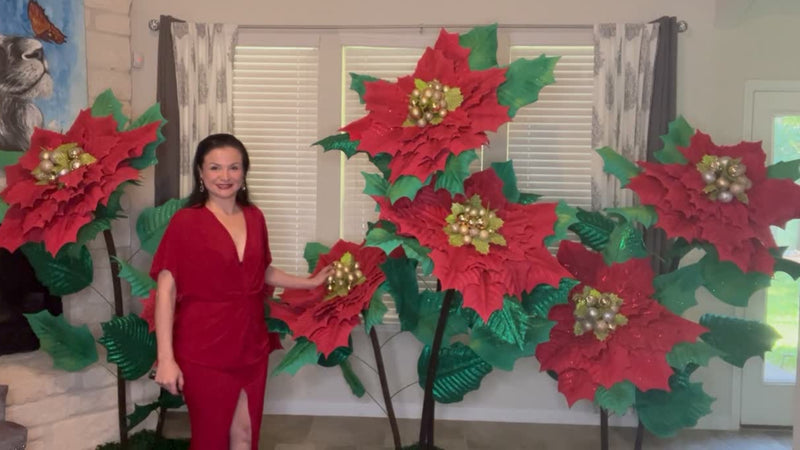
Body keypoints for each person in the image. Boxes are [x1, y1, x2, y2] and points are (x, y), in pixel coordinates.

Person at [152, 133, 332, 450]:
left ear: (244, 172)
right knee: (210, 440)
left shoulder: (255, 217)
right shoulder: (185, 222)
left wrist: (310, 282)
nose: (225, 176)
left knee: (246, 436)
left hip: (250, 344)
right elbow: (166, 291)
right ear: (200, 173)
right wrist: (165, 358)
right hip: (203, 348)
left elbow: (258, 272)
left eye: (233, 167)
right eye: (215, 168)